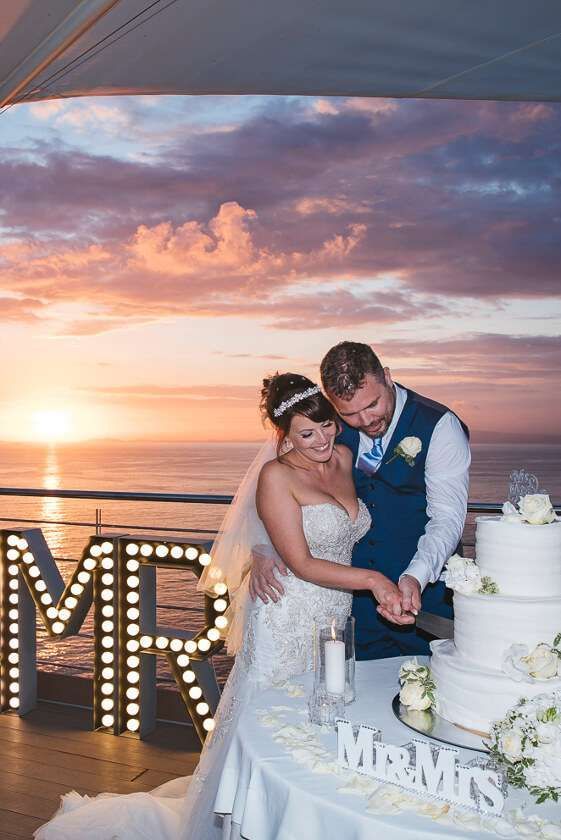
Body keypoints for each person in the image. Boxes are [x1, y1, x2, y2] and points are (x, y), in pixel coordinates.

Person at [34, 372, 404, 840]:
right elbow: (304, 562)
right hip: (286, 612)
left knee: (320, 718)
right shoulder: (275, 475)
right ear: (282, 436)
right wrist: (374, 581)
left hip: (333, 616)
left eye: (327, 426)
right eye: (306, 434)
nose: (322, 439)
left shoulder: (346, 457)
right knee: (266, 725)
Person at [250, 342, 471, 660]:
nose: (365, 420)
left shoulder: (440, 427)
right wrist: (264, 549)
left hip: (422, 601)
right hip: (353, 608)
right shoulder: (323, 428)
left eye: (373, 405)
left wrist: (415, 576)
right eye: (348, 414)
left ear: (387, 377)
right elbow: (281, 487)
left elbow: (447, 518)